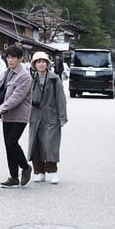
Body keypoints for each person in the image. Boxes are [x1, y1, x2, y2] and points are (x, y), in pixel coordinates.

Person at [0, 44, 33, 188]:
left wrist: (2, 108)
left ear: (20, 59)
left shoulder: (25, 77)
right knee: (8, 146)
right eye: (9, 57)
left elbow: (17, 97)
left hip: (19, 115)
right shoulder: (7, 72)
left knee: (12, 142)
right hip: (6, 114)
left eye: (13, 58)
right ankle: (13, 177)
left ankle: (26, 167)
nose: (10, 60)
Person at [28, 51, 68, 184]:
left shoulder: (54, 79)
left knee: (51, 144)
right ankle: (39, 172)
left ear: (47, 64)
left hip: (51, 116)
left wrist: (62, 117)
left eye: (43, 61)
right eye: (38, 61)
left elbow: (61, 99)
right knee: (37, 145)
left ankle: (53, 171)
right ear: (34, 64)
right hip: (35, 116)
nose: (41, 64)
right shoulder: (31, 79)